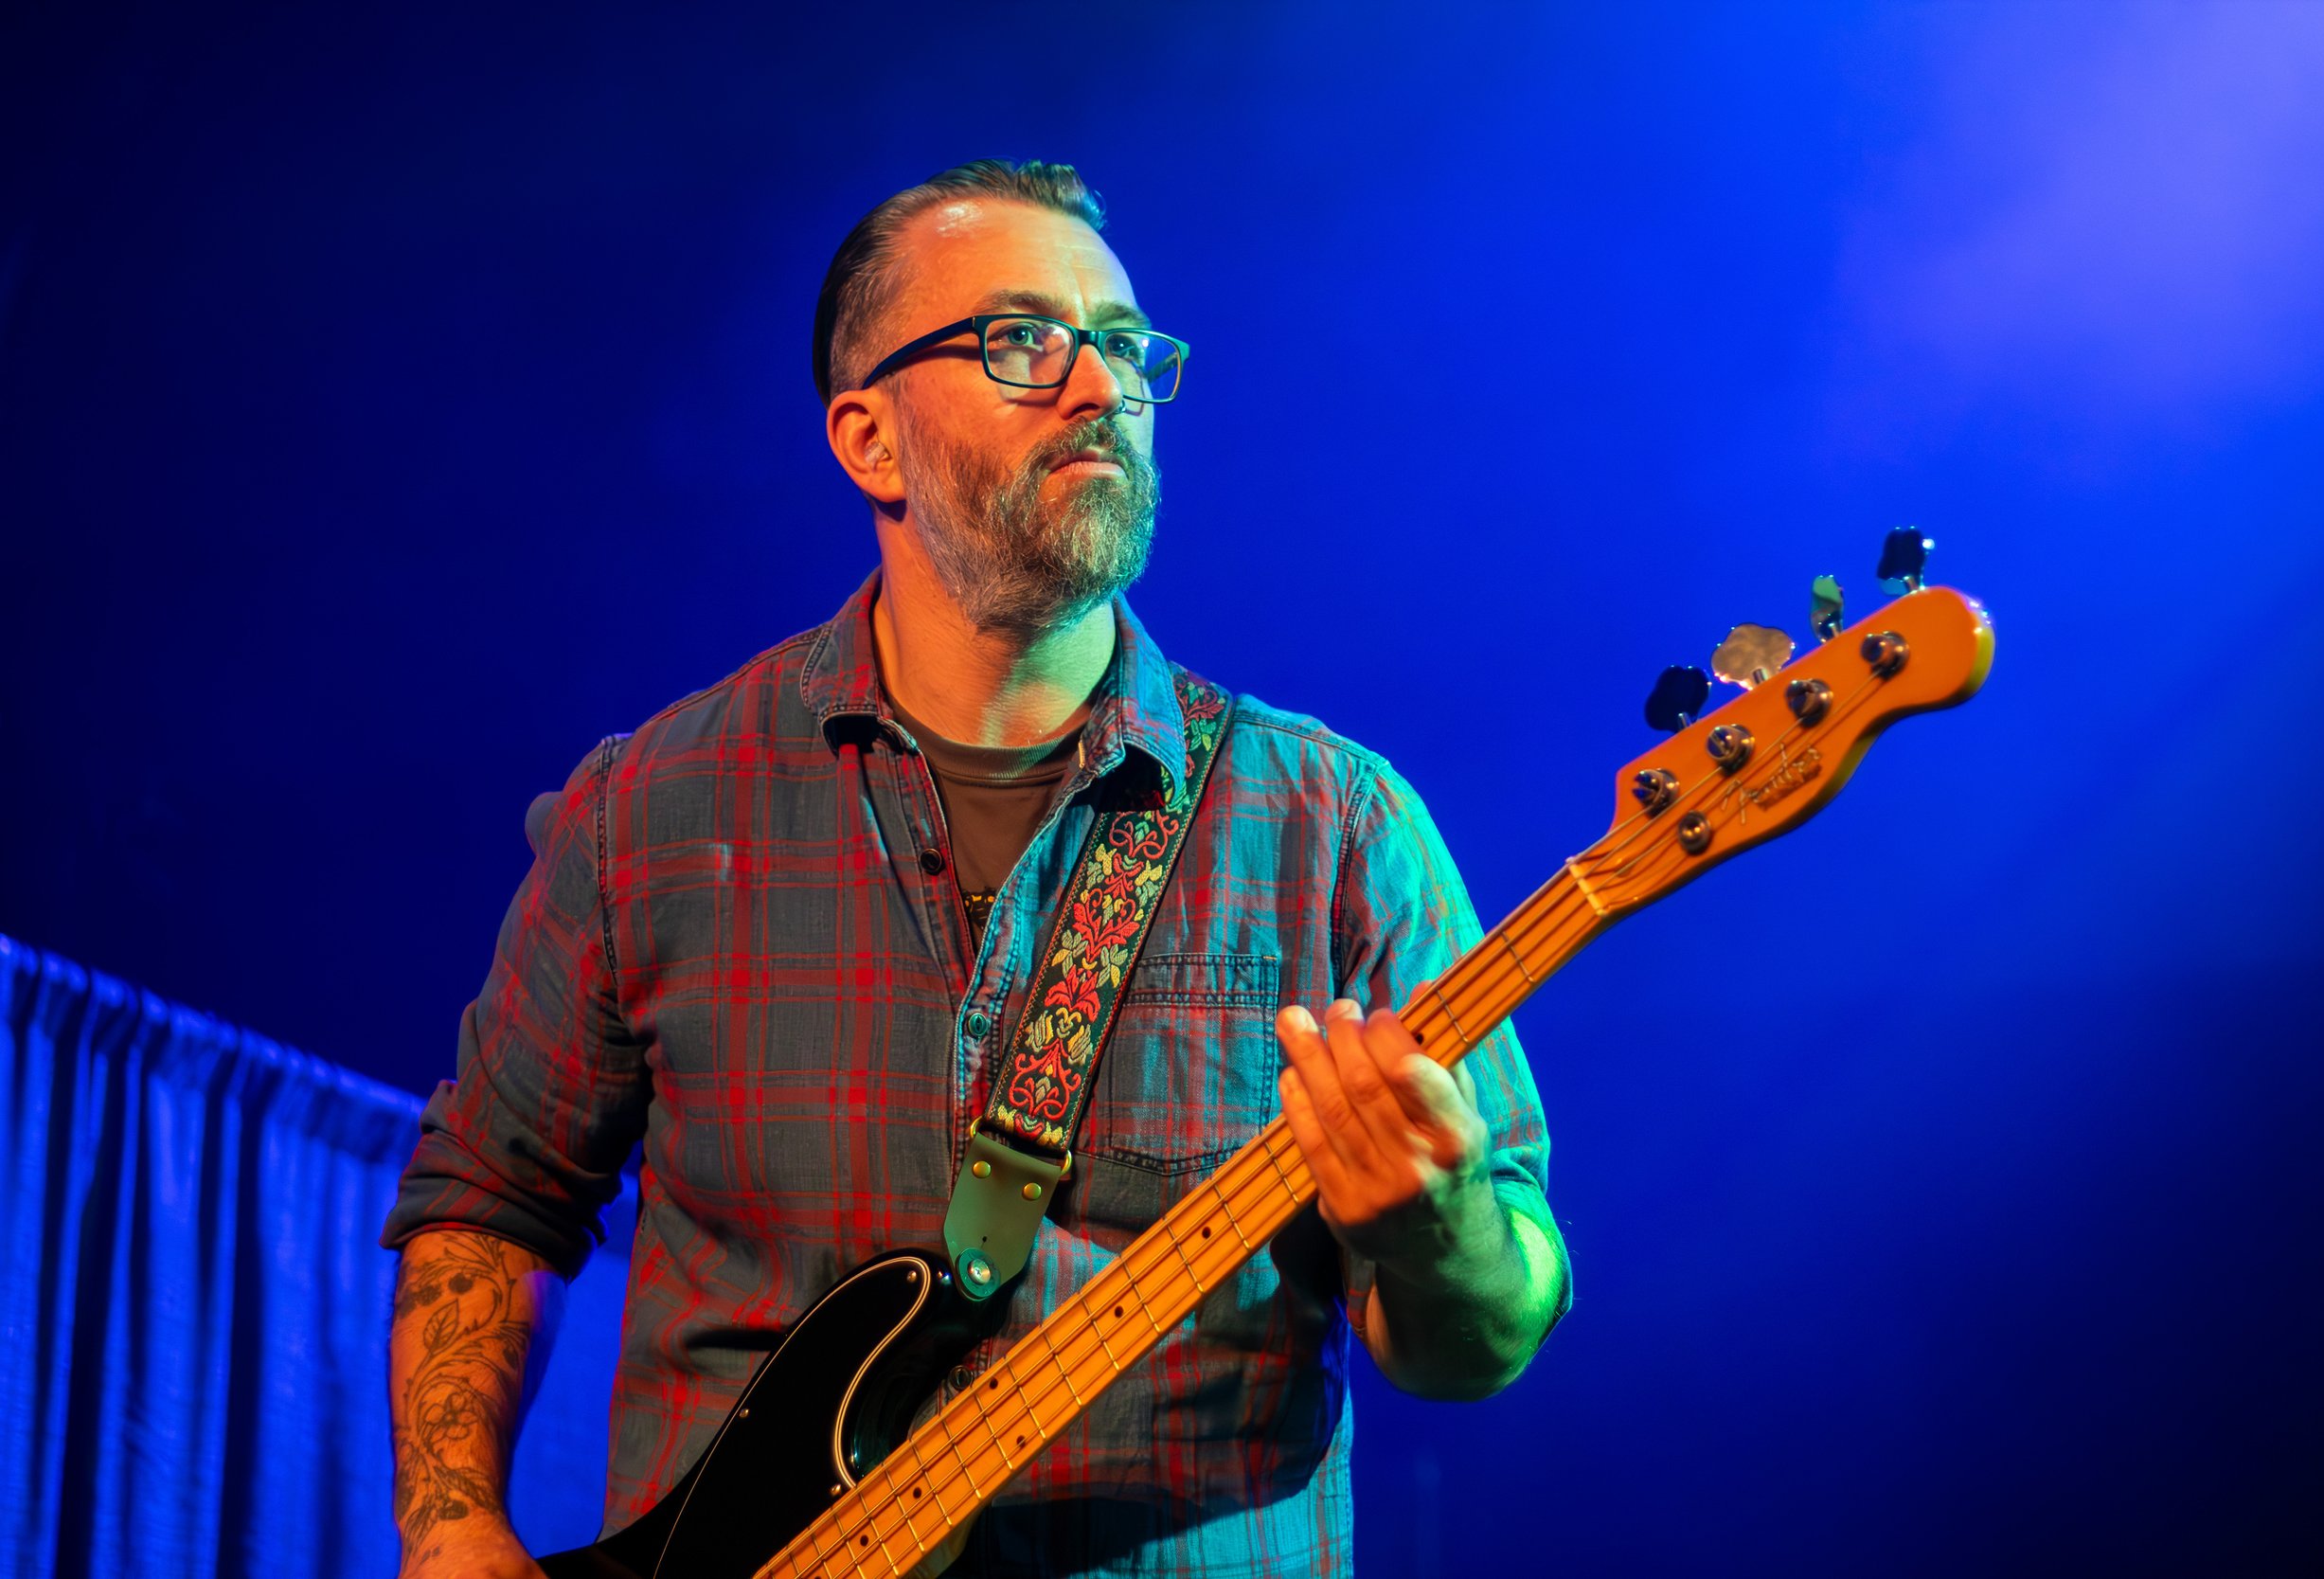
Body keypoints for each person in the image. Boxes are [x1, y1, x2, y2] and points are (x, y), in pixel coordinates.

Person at [381, 158, 1570, 1579]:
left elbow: (1491, 1329)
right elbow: (487, 1201)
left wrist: (1438, 1233)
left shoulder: (1335, 827)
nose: (1100, 387)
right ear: (868, 438)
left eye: (1125, 346)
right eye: (1025, 341)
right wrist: (453, 1529)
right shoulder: (653, 809)